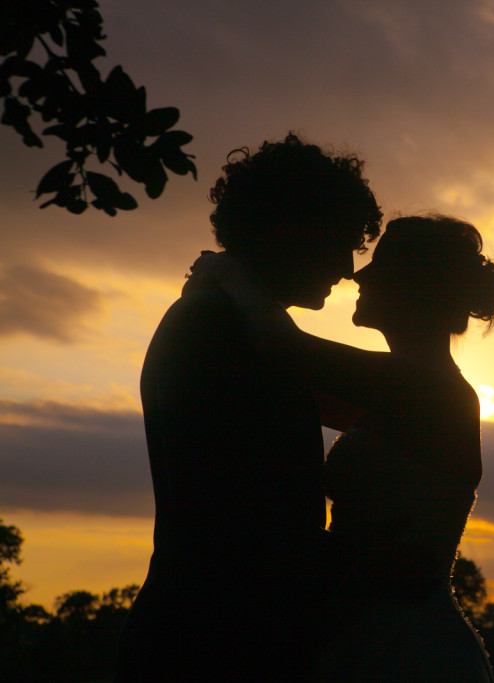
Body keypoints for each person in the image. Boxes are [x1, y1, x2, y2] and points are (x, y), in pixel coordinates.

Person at [116, 134, 383, 683]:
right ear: (289, 229)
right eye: (338, 240)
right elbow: (251, 514)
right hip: (219, 645)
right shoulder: (224, 330)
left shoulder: (221, 318)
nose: (347, 266)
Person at [311, 215, 494, 682]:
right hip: (382, 640)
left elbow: (279, 350)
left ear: (413, 286)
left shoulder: (423, 388)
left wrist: (230, 285)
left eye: (380, 265)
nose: (360, 275)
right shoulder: (404, 388)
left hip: (410, 654)